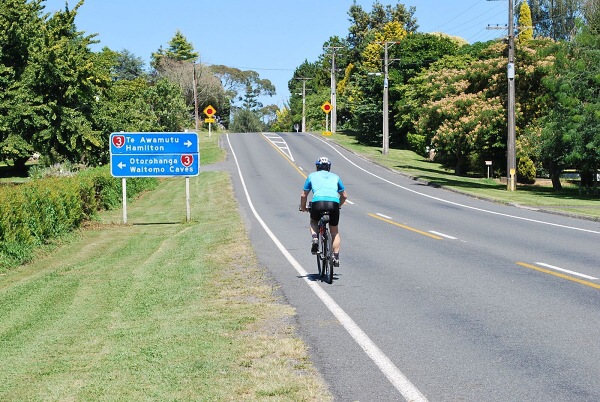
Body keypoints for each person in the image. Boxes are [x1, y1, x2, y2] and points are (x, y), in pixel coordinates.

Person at [300, 157, 347, 267]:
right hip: (333, 203)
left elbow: (304, 195)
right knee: (334, 231)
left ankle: (315, 238)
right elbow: (344, 195)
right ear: (329, 167)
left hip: (318, 202)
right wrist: (338, 206)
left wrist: (303, 207)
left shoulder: (311, 176)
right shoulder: (336, 177)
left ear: (317, 167)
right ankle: (335, 257)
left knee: (313, 222)